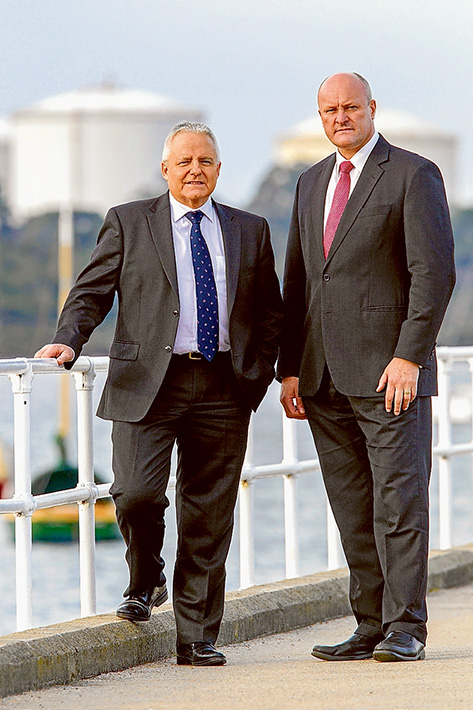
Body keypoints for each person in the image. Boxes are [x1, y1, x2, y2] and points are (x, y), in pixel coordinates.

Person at [35, 121, 282, 666]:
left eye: (206, 162)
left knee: (208, 513)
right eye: (185, 162)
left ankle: (196, 636)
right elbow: (92, 290)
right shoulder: (129, 221)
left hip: (223, 386)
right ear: (166, 169)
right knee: (136, 494)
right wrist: (66, 339)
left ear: (219, 169)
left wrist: (257, 376)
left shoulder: (251, 229)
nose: (196, 170)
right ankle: (146, 579)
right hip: (146, 383)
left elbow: (270, 312)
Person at [279, 73, 455, 662]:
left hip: (390, 375)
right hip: (323, 376)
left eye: (351, 106)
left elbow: (434, 276)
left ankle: (407, 628)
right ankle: (370, 625)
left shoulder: (412, 173)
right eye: (329, 109)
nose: (340, 117)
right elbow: (300, 280)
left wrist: (409, 355)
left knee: (399, 503)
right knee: (352, 505)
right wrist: (292, 368)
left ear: (372, 108)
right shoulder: (309, 183)